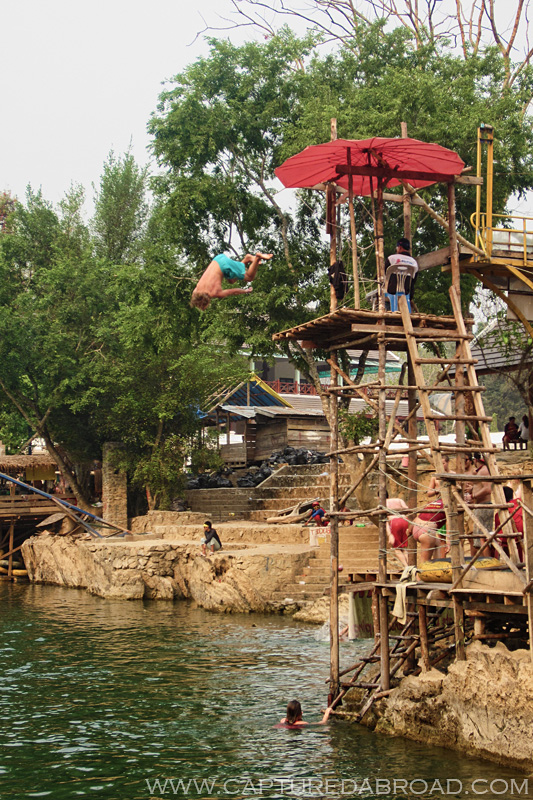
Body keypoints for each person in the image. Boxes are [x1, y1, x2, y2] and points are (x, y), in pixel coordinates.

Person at [190, 252, 273, 310]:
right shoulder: (196, 290)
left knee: (249, 277)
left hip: (224, 265)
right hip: (217, 259)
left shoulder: (214, 293)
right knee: (231, 280)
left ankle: (257, 257)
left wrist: (245, 291)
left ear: (206, 302)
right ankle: (247, 259)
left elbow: (233, 291)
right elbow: (194, 296)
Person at [465, 454, 492, 556]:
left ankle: (487, 561)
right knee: (479, 539)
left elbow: (487, 489)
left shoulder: (484, 471)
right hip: (481, 505)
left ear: (475, 460)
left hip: (483, 506)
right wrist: (473, 489)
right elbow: (482, 486)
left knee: (482, 539)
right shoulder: (481, 470)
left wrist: (473, 496)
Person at [383, 238, 418, 313]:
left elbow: (382, 274)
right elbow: (413, 281)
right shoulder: (414, 262)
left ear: (400, 247)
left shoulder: (391, 258)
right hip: (406, 293)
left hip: (390, 292)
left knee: (379, 294)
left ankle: (387, 312)